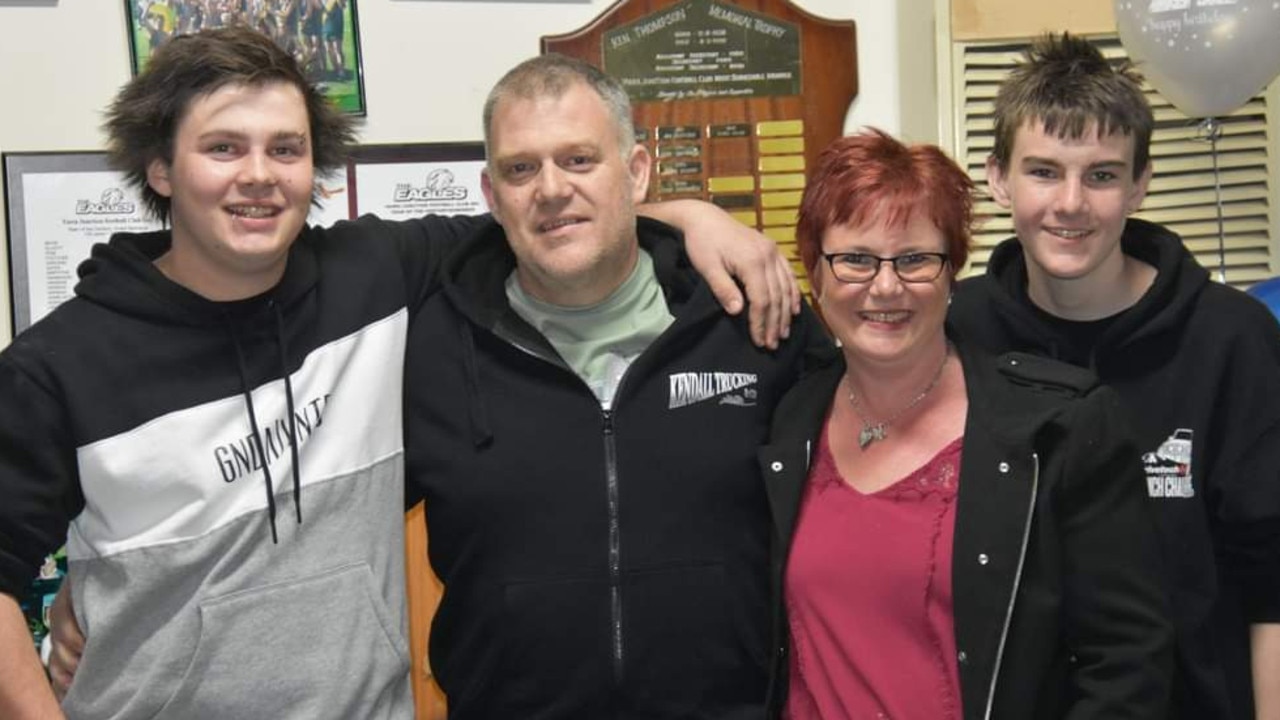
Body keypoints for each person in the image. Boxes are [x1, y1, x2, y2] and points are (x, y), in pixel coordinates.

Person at [0, 27, 797, 719]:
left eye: (286, 148)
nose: (259, 174)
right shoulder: (62, 364)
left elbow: (554, 221)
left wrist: (696, 216)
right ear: (161, 169)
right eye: (222, 148)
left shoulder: (375, 277)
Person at [401, 54, 828, 717]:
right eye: (521, 168)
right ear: (491, 196)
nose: (549, 188)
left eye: (579, 160)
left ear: (635, 172)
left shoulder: (749, 321)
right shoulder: (430, 351)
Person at [759, 129, 1173, 718]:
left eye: (915, 259)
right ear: (815, 275)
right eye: (854, 259)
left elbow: (1127, 665)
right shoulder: (789, 421)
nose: (884, 286)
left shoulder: (1057, 429)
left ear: (953, 272)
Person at [947, 32, 1280, 719]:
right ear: (997, 177)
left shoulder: (1231, 339)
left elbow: (1273, 586)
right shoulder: (956, 331)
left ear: (1139, 184)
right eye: (1043, 171)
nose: (1071, 204)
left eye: (1101, 174)